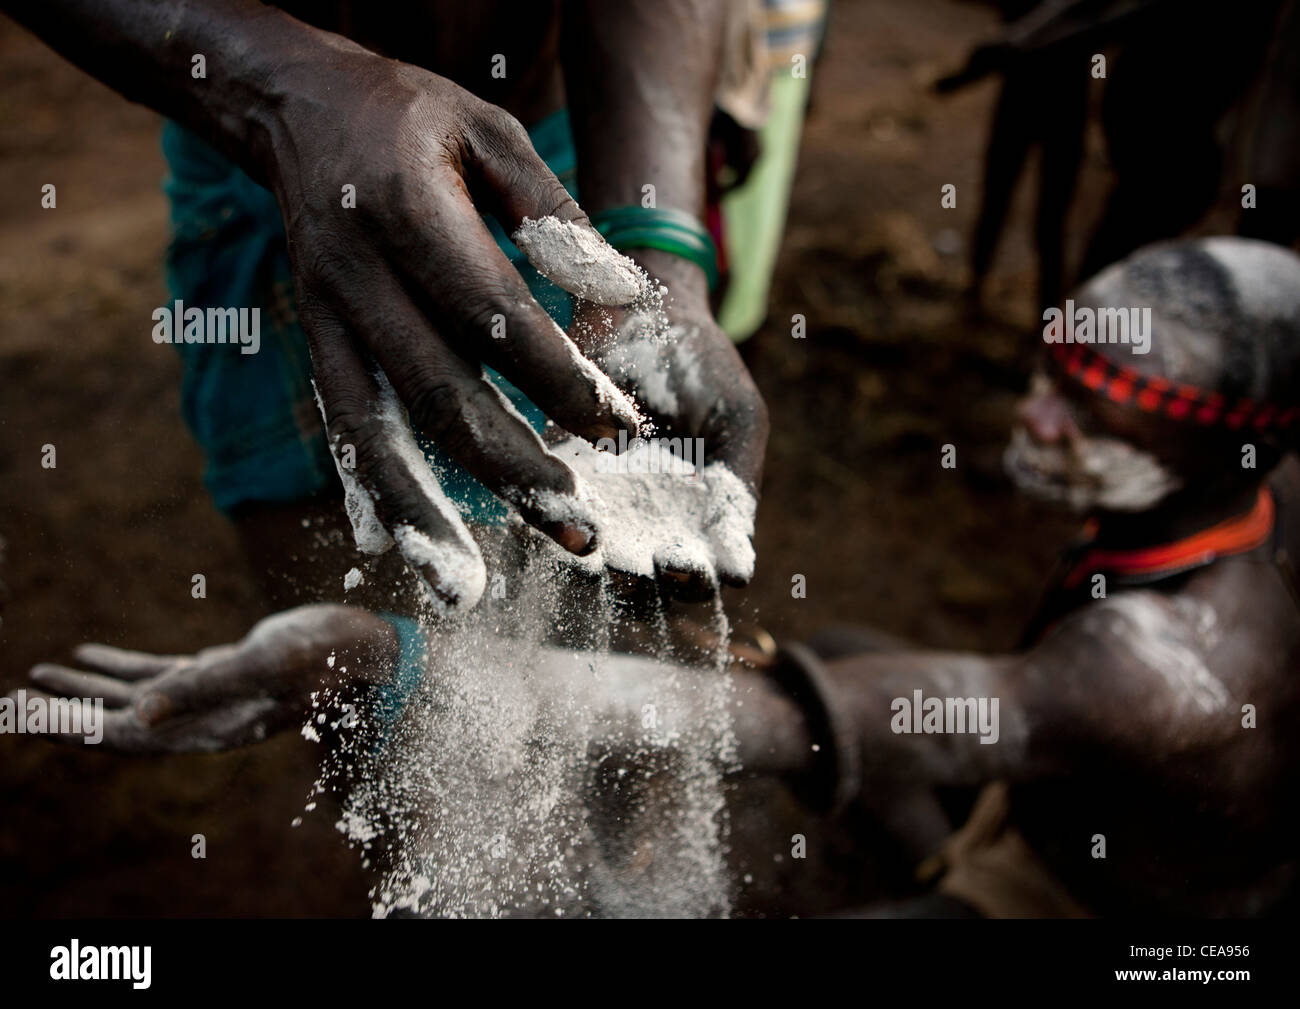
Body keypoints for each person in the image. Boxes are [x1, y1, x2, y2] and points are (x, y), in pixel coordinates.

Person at [24, 237, 1300, 916]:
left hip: (1125, 912)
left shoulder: (1149, 677)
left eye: (1094, 414)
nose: (1034, 421)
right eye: (1047, 381)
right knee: (853, 649)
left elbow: (776, 727)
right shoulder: (1251, 504)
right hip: (1077, 784)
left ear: (1222, 436)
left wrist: (373, 661)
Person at [2, 0, 770, 615]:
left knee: (617, 621)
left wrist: (652, 250)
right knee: (377, 670)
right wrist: (280, 96)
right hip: (256, 137)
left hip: (543, 174)